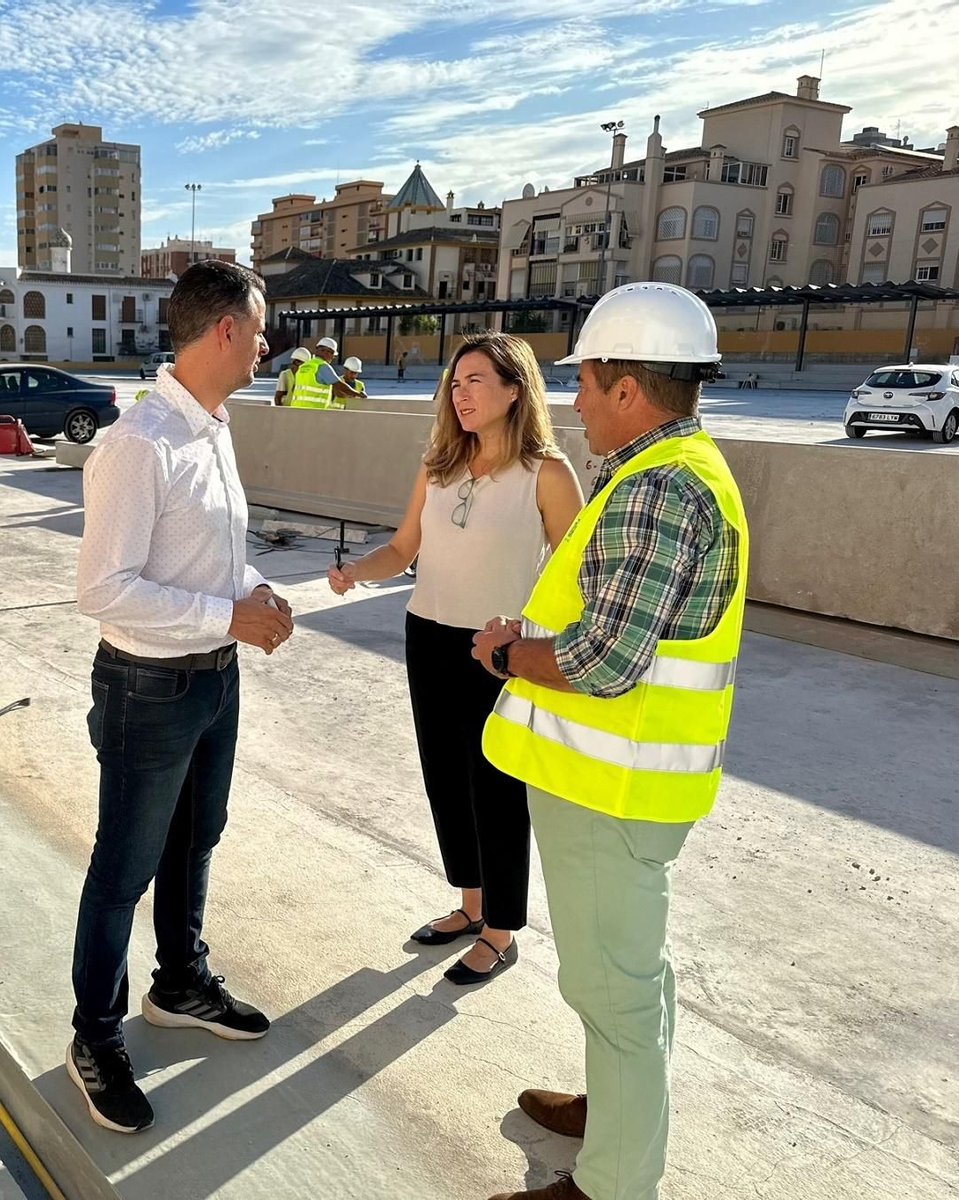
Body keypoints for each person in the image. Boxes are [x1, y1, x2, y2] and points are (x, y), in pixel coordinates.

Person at [470, 283, 747, 1200]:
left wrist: (511, 652)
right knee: (632, 974)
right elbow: (617, 625)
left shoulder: (655, 487)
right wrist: (536, 634)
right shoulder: (679, 467)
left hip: (611, 791)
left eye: (585, 383)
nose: (575, 401)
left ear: (628, 388)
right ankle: (617, 1106)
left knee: (615, 990)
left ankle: (613, 1182)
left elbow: (604, 660)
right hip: (625, 786)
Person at [71, 259, 292, 1134]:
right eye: (261, 325)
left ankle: (179, 984)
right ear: (225, 330)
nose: (268, 342)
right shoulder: (140, 442)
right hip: (147, 689)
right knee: (123, 867)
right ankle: (95, 1034)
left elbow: (209, 552)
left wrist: (255, 591)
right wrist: (224, 614)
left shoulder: (212, 427)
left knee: (197, 841)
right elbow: (105, 588)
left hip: (212, 679)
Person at [327, 333, 582, 986]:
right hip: (428, 637)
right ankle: (470, 907)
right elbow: (404, 547)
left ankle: (501, 930)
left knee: (495, 787)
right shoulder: (439, 464)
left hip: (499, 653)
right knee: (446, 779)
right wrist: (357, 571)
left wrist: (528, 631)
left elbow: (577, 578)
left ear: (514, 390)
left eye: (475, 380)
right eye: (455, 382)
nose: (460, 393)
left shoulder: (547, 473)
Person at [288, 336, 362, 408]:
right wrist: (358, 394)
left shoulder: (304, 366)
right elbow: (340, 387)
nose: (332, 358)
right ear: (327, 352)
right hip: (314, 411)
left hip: (296, 409)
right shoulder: (322, 366)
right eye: (333, 355)